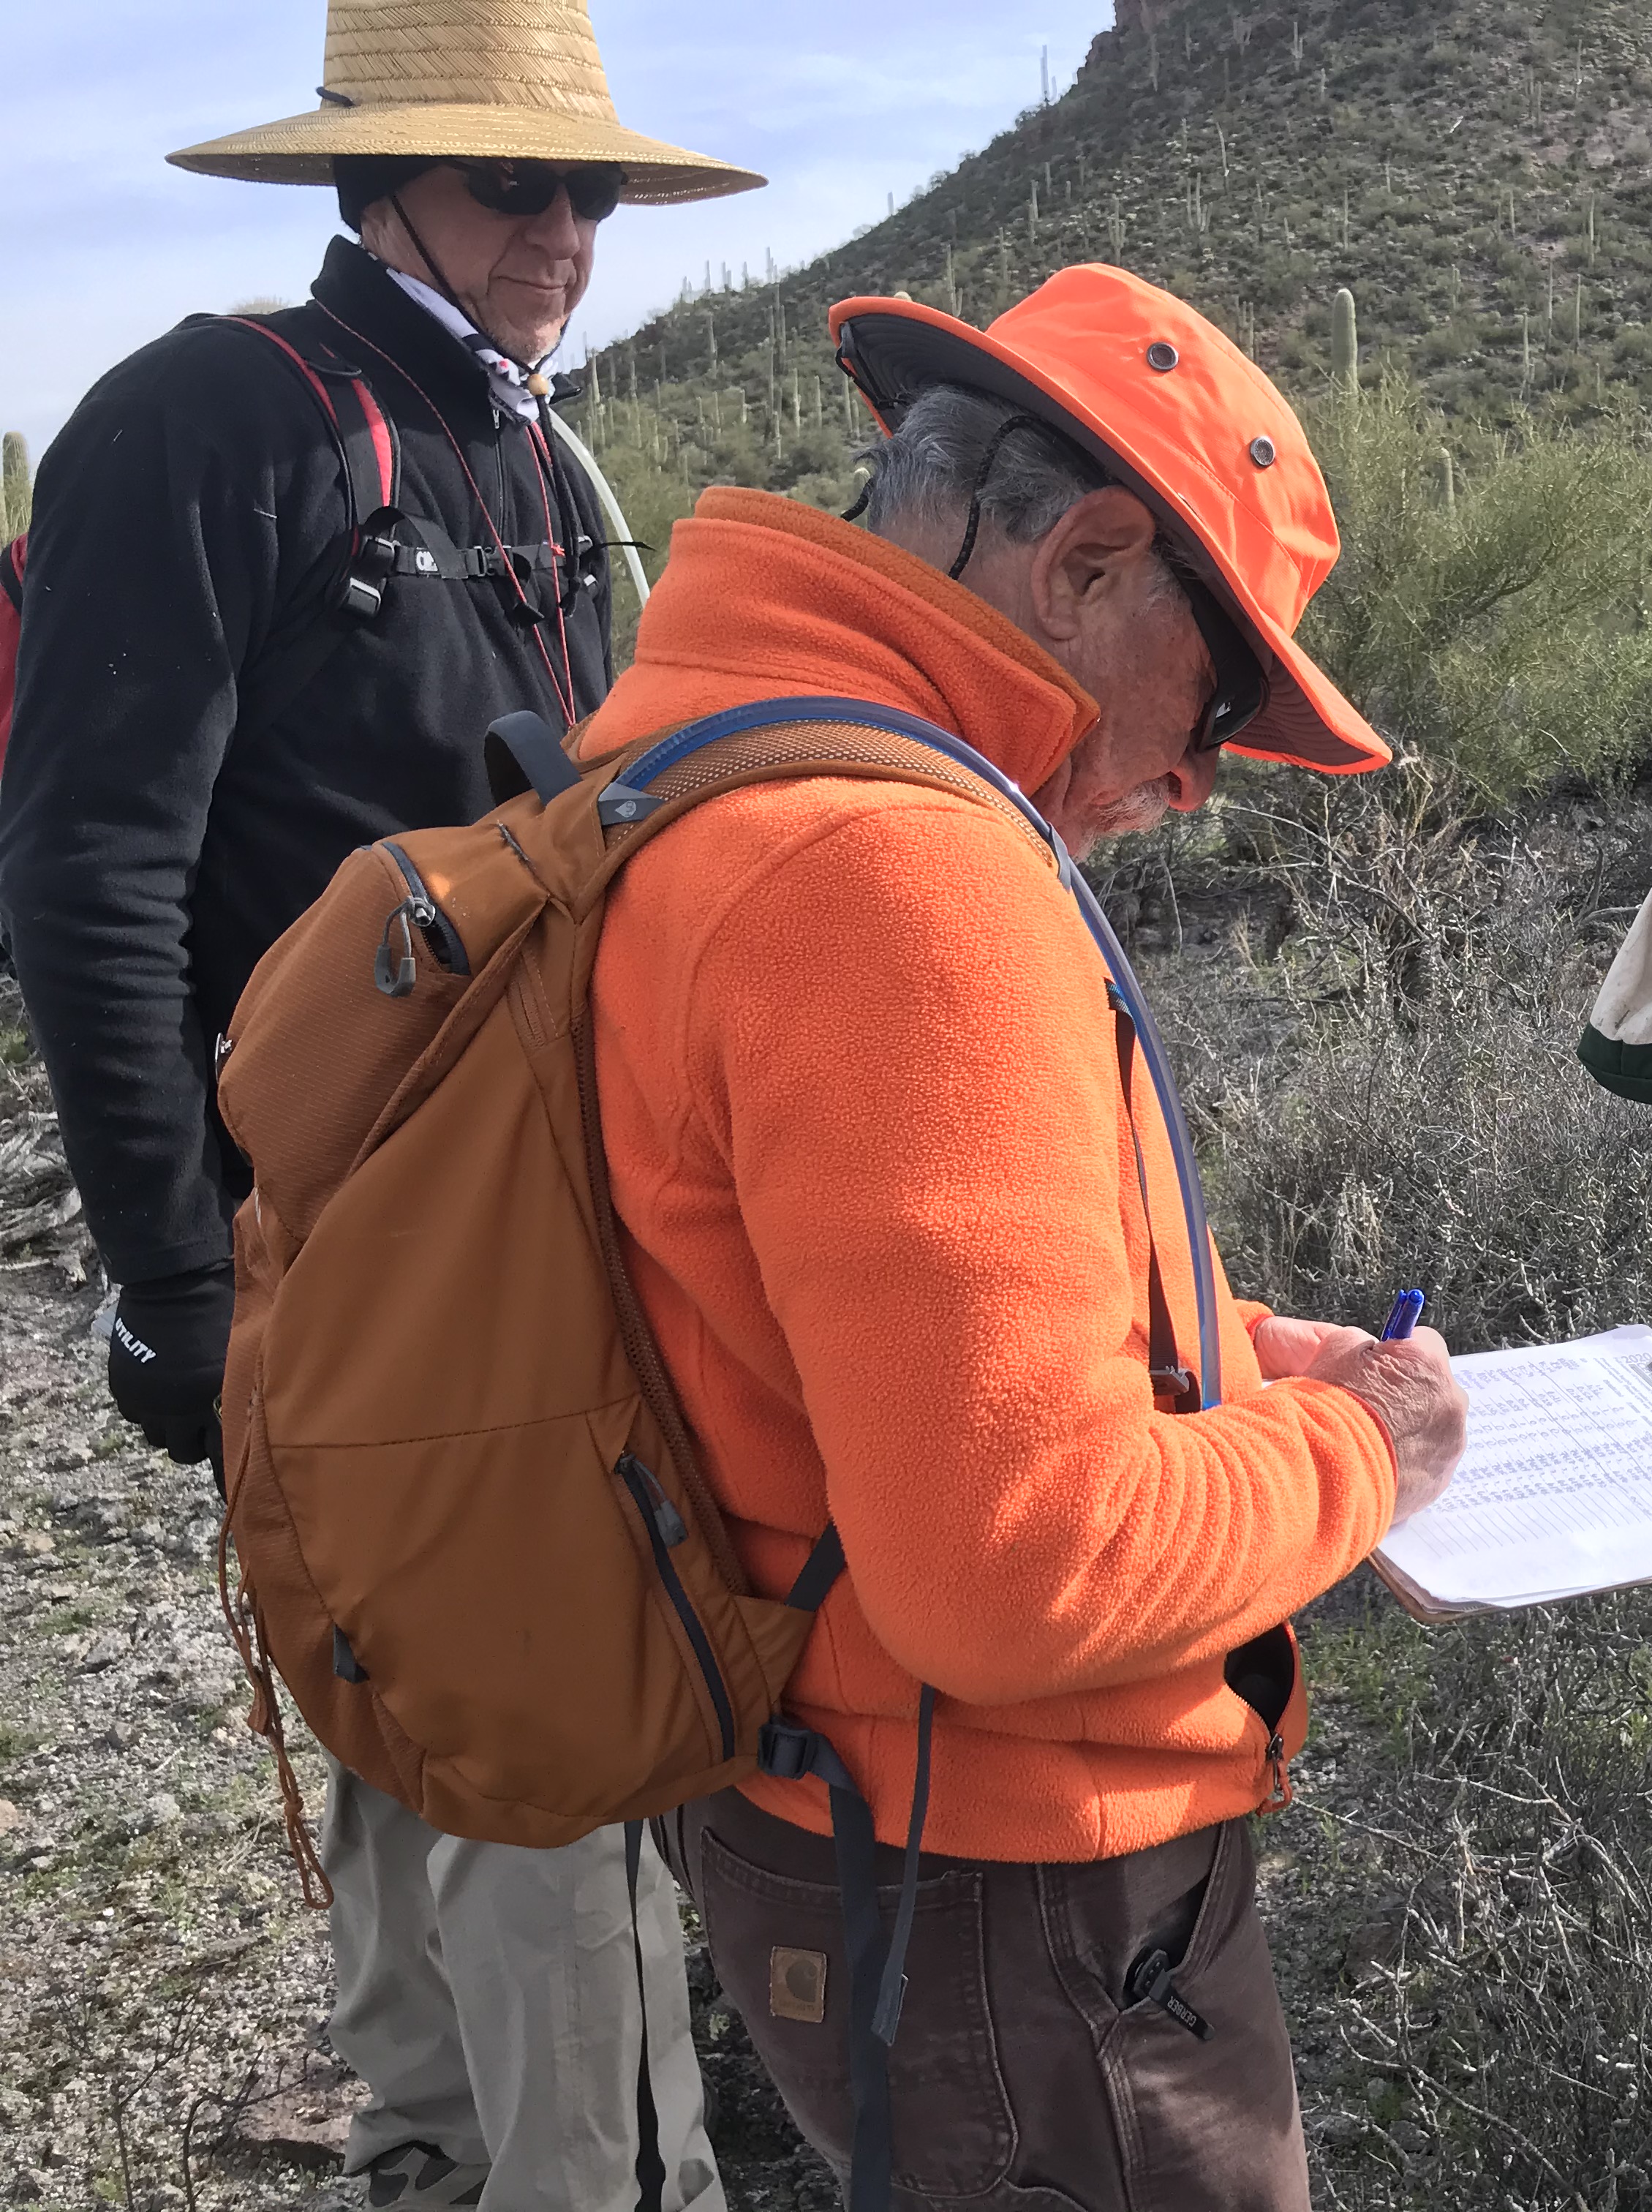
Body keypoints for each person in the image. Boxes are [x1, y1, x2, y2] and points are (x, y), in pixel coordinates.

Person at [591, 268, 1467, 2210]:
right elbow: (1016, 1574)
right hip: (1017, 1897)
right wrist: (1362, 1453)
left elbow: (823, 1305)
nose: (1198, 775)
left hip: (853, 1827)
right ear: (1084, 563)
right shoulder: (896, 873)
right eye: (1223, 694)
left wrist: (1229, 1354)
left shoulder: (707, 749)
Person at [0, 2, 763, 2201]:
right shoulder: (212, 421)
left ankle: (429, 2143)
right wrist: (166, 1275)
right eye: (516, 183)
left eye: (590, 187)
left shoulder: (512, 444)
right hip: (343, 1231)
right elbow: (87, 863)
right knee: (542, 1717)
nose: (567, 234)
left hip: (522, 1222)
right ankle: (581, 2177)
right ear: (378, 182)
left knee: (410, 1657)